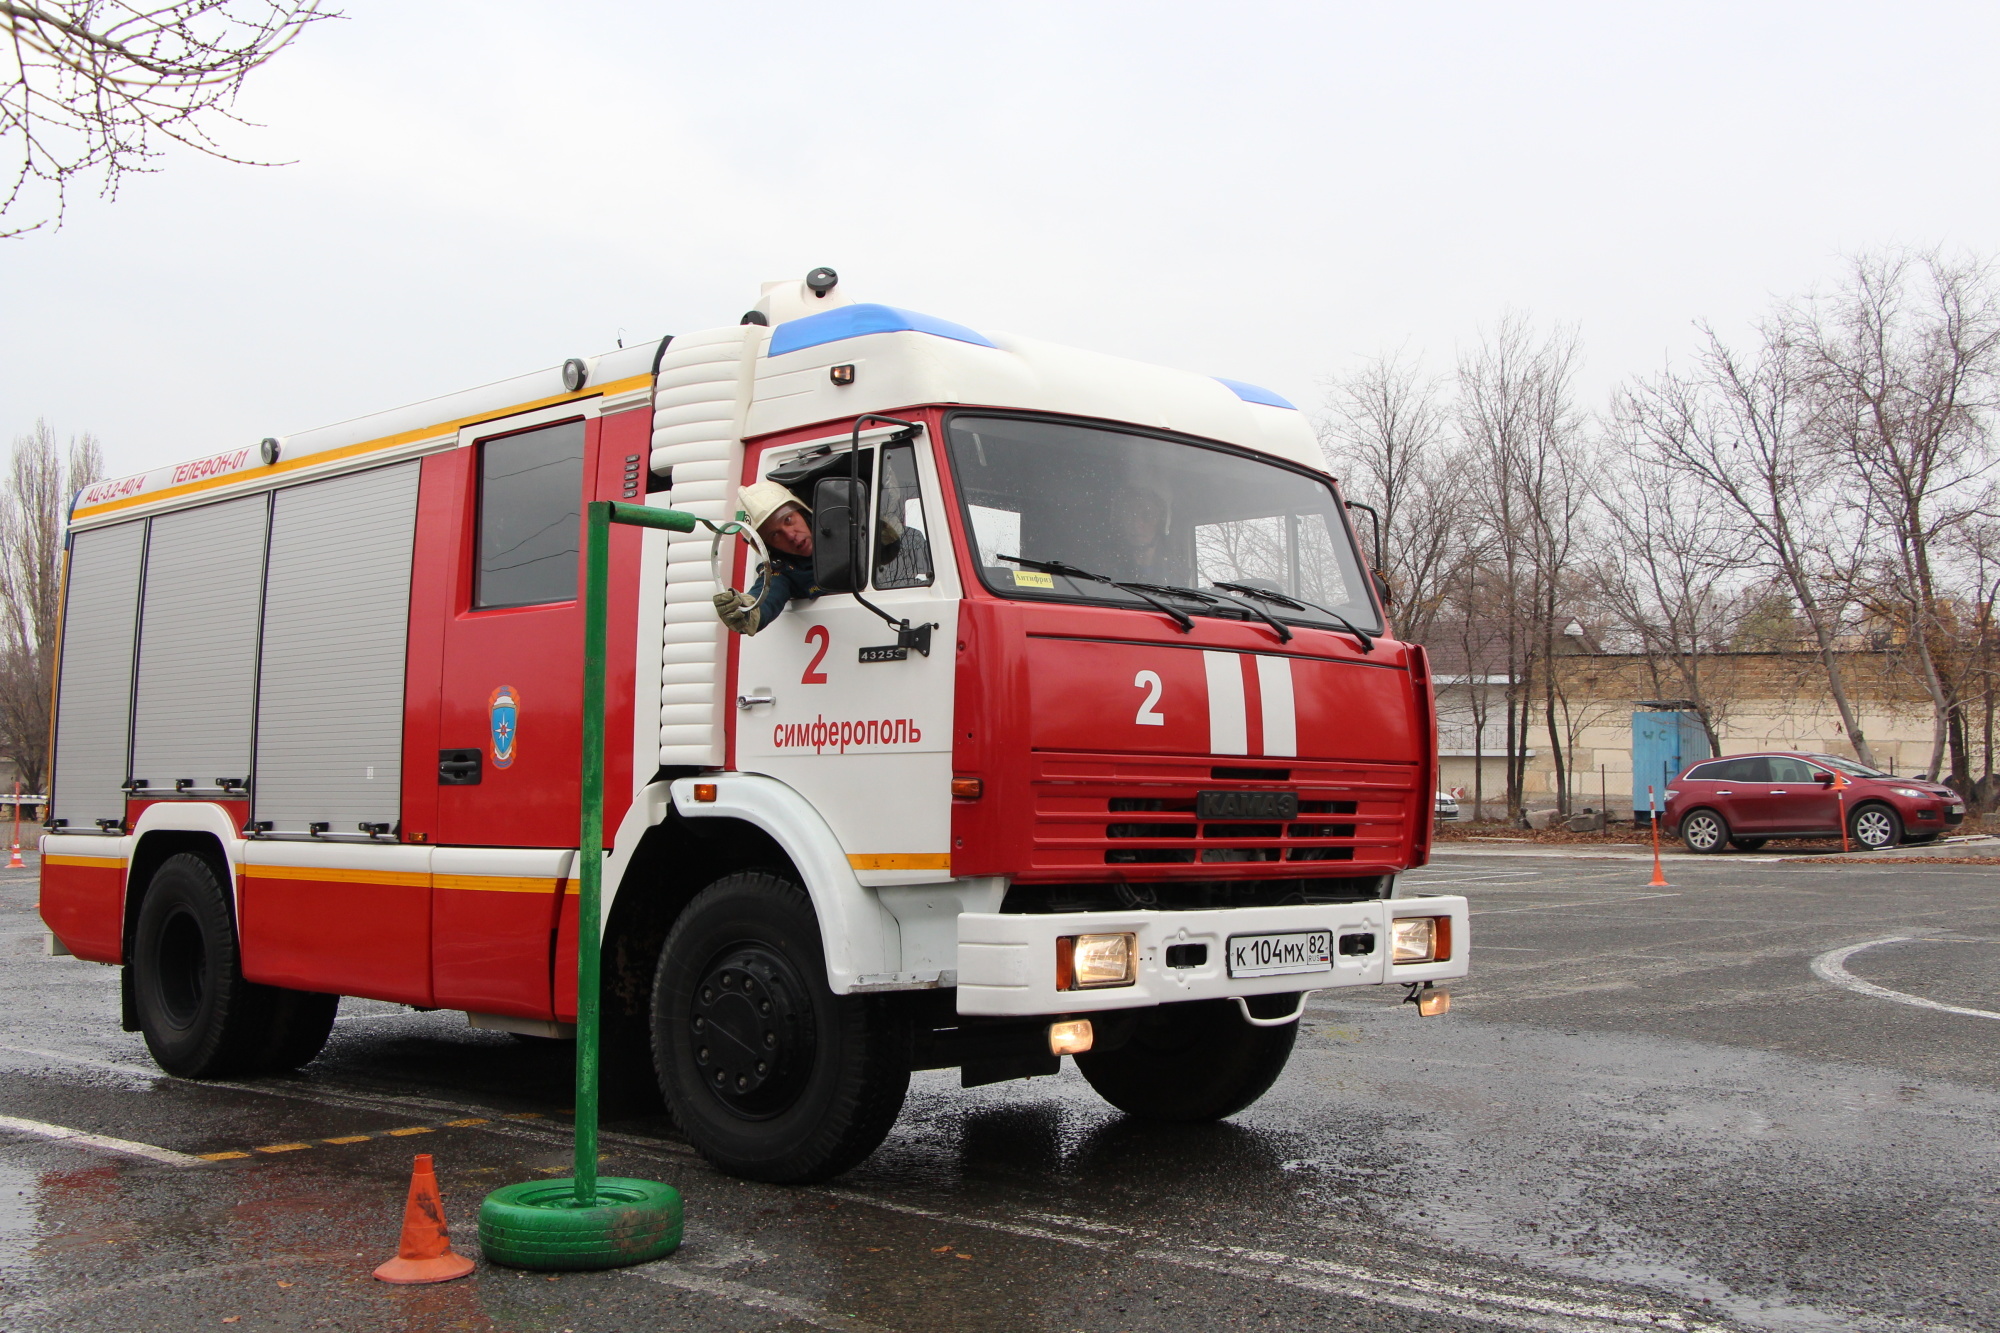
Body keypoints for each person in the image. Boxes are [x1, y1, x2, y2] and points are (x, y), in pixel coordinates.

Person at [713, 480, 821, 636]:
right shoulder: (783, 571)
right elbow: (765, 596)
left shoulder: (849, 529)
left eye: (788, 520)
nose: (790, 535)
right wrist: (744, 609)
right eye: (775, 535)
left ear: (802, 511)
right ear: (767, 547)